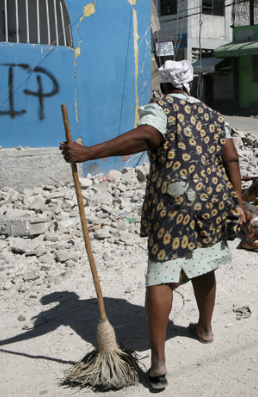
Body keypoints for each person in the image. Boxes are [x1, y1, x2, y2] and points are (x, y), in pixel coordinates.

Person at [59, 60, 245, 390]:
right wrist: (237, 200)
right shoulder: (213, 115)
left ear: (165, 86)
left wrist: (88, 153)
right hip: (215, 198)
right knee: (203, 264)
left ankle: (158, 365)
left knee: (163, 273)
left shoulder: (160, 107)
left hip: (176, 201)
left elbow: (147, 136)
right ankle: (205, 328)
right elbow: (231, 157)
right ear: (190, 84)